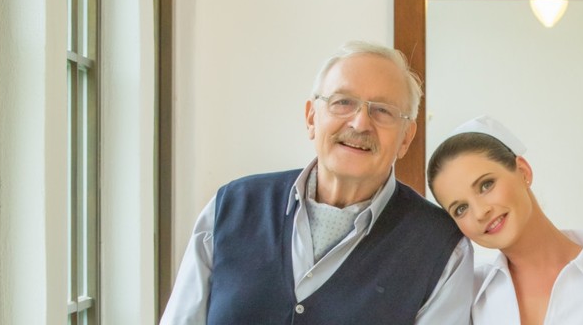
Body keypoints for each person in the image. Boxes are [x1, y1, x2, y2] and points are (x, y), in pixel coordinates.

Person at [160, 40, 474, 325]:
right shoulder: (231, 207)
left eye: (382, 111)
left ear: (406, 138)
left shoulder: (443, 248)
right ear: (311, 117)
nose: (360, 123)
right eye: (343, 102)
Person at [428, 115, 583, 325]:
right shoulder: (467, 295)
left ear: (523, 171)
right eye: (461, 209)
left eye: (486, 185)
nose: (480, 212)